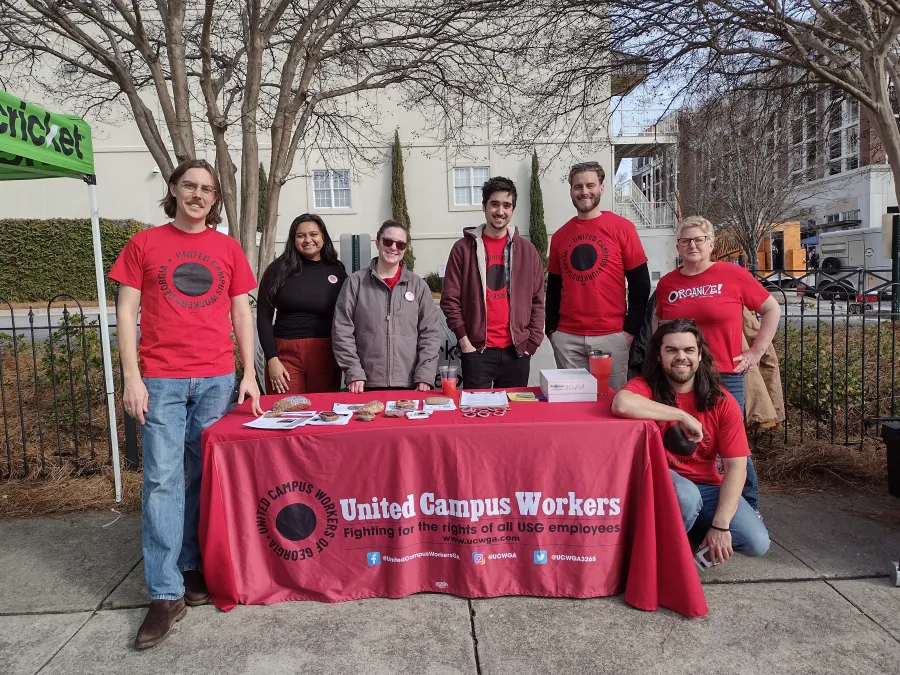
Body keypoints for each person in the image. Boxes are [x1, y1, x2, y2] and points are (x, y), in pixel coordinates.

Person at [110, 158, 262, 649]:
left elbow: (242, 310)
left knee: (202, 478)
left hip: (217, 380)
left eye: (207, 190)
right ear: (173, 189)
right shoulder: (144, 244)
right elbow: (126, 310)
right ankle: (164, 591)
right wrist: (132, 378)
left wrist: (250, 374)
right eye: (189, 186)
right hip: (162, 381)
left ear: (215, 199)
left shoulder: (227, 248)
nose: (198, 195)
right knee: (161, 480)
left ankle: (191, 566)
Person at [612, 319, 770, 564]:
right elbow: (621, 403)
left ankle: (694, 536)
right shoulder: (645, 387)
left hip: (707, 487)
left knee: (756, 541)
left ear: (699, 355)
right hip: (662, 481)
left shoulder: (721, 400)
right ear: (658, 356)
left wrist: (720, 527)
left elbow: (736, 467)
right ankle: (659, 563)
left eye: (688, 350)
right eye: (671, 350)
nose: (681, 357)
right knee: (686, 496)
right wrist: (681, 415)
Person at [654, 216, 780, 513]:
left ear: (711, 244)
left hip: (724, 373)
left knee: (733, 446)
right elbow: (659, 325)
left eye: (699, 239)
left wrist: (756, 352)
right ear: (678, 246)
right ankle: (694, 504)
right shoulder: (668, 283)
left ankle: (749, 508)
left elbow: (771, 308)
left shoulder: (732, 275)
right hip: (680, 376)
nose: (692, 245)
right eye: (686, 240)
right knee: (684, 439)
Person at [546, 161, 651, 391]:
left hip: (611, 335)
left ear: (601, 188)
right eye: (578, 187)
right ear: (571, 191)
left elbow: (640, 283)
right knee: (572, 409)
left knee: (611, 406)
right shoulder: (560, 236)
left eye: (590, 185)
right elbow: (553, 286)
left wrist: (629, 331)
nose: (584, 192)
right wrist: (552, 330)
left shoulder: (622, 228)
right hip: (567, 338)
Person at [441, 176, 544, 388]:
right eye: (494, 204)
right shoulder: (463, 249)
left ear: (513, 210)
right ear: (484, 207)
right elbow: (450, 299)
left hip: (517, 352)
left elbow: (538, 300)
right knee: (476, 416)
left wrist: (531, 344)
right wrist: (464, 341)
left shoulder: (527, 251)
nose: (500, 211)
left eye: (507, 205)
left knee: (514, 417)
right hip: (477, 351)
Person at [332, 219, 440, 392]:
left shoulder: (418, 286)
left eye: (401, 244)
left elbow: (431, 334)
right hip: (365, 383)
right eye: (388, 241)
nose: (393, 248)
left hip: (411, 384)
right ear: (378, 243)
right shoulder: (355, 283)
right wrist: (354, 372)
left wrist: (425, 375)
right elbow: (342, 331)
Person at [257, 214, 347, 394]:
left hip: (325, 354)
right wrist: (272, 358)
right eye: (301, 236)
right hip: (285, 355)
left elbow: (347, 314)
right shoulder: (277, 270)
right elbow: (263, 317)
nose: (308, 240)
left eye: (314, 234)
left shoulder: (337, 269)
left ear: (323, 236)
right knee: (286, 412)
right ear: (293, 239)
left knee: (322, 414)